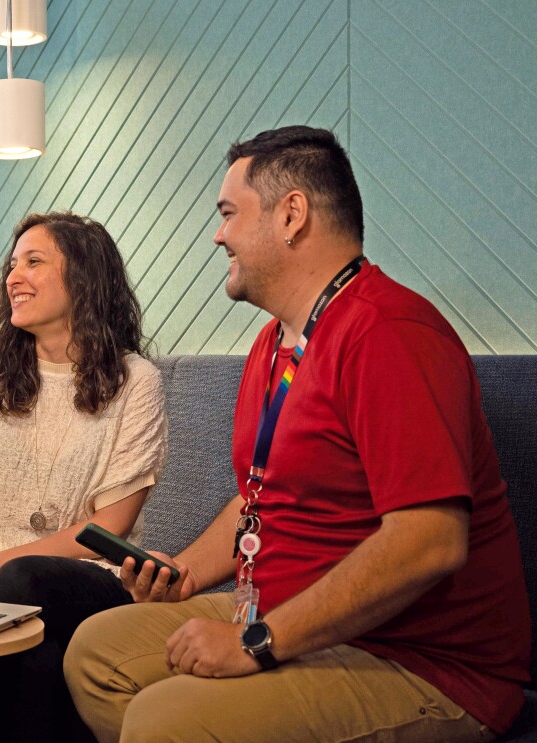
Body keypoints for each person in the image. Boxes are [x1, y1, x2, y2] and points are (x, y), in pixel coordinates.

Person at [63, 125, 530, 742]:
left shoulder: (387, 332)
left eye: (229, 213)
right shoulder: (275, 341)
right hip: (282, 612)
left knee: (164, 721)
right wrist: (183, 576)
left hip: (419, 662)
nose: (217, 234)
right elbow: (260, 495)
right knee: (95, 654)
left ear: (292, 215)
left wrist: (256, 643)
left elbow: (431, 541)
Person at [0, 212, 168, 743]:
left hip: (90, 580)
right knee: (37, 660)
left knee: (24, 578)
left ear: (83, 278)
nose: (13, 276)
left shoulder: (135, 384)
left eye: (34, 262)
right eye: (12, 264)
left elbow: (112, 525)